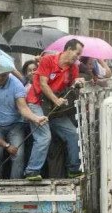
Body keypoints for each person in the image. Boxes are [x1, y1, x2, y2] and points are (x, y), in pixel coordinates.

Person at [24, 38, 86, 181]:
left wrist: (78, 82)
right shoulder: (48, 60)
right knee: (44, 137)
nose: (78, 58)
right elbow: (42, 83)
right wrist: (56, 100)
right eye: (77, 53)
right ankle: (32, 171)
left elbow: (72, 87)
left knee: (73, 134)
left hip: (54, 109)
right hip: (37, 103)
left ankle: (74, 169)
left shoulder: (74, 69)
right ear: (68, 49)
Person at [0, 71, 47, 180]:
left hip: (15, 124)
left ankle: (15, 183)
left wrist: (36, 118)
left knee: (18, 155)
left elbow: (23, 108)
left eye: (4, 75)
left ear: (9, 73)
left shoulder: (17, 85)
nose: (1, 78)